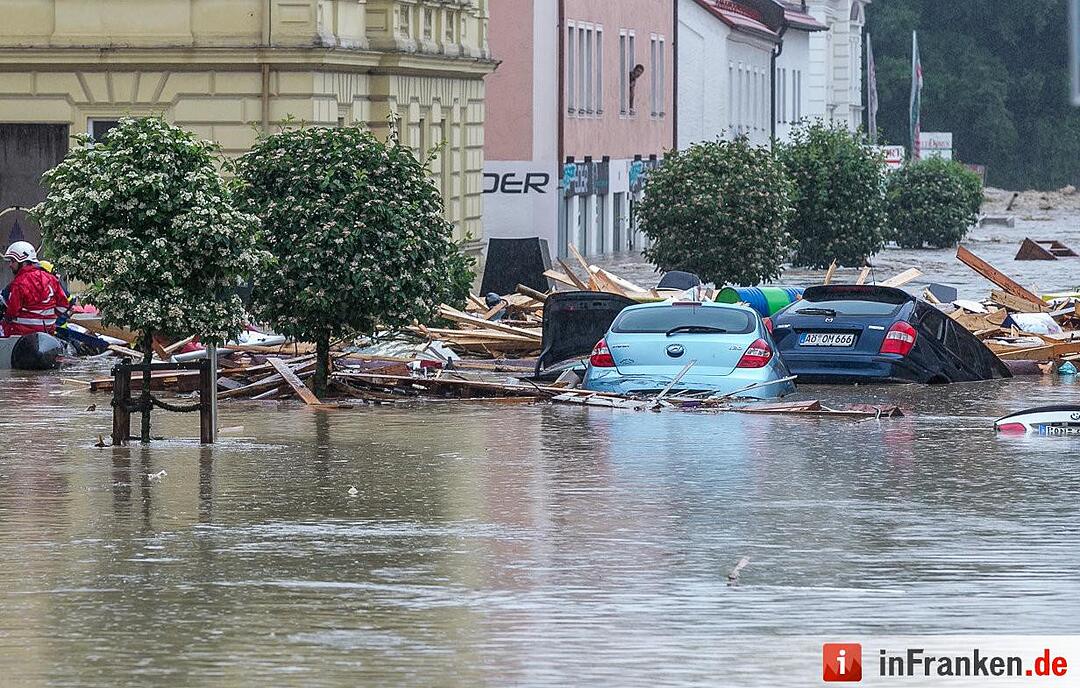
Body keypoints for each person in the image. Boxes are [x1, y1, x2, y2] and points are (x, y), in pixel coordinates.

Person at [1, 242, 70, 337]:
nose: (10, 265)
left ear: (23, 262)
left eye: (13, 261)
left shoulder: (19, 283)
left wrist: (7, 319)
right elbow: (64, 305)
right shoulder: (51, 279)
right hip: (48, 333)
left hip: (21, 332)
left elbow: (12, 311)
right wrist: (49, 318)